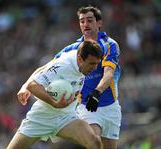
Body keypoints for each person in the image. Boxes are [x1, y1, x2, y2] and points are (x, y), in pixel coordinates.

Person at [17, 6, 122, 149]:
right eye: (82, 21)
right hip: (86, 105)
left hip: (110, 105)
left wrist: (97, 92)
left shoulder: (110, 45)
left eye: (90, 20)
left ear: (99, 23)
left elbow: (109, 73)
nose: (86, 24)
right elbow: (45, 68)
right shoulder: (72, 49)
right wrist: (25, 85)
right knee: (94, 141)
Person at [7, 40, 103, 149]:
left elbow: (43, 68)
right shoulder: (63, 65)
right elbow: (33, 86)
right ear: (80, 59)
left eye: (97, 63)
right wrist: (54, 103)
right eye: (91, 63)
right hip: (42, 117)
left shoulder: (79, 58)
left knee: (95, 142)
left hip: (66, 117)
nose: (95, 68)